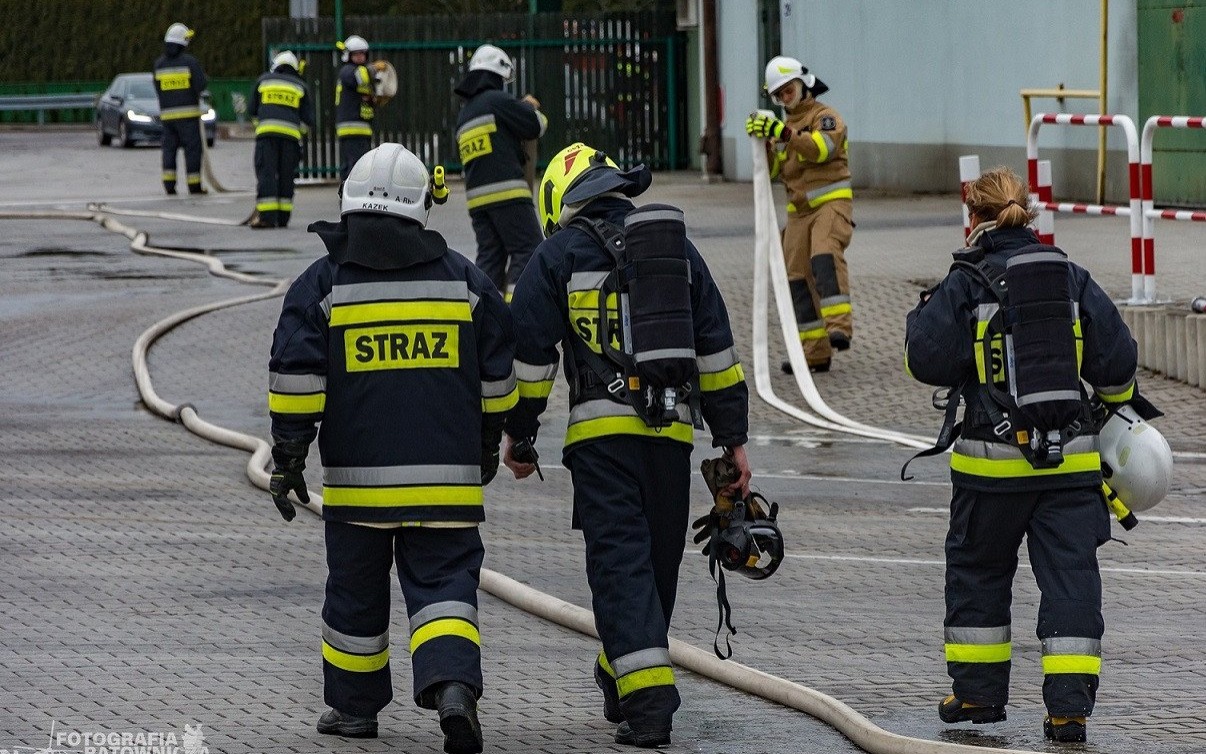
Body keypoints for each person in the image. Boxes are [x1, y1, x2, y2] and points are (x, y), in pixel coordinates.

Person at [267, 143, 516, 754]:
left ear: (351, 204)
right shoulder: (467, 282)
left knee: (354, 590)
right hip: (447, 482)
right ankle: (453, 687)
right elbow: (499, 380)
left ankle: (353, 713)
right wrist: (488, 444)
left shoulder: (324, 284)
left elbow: (296, 380)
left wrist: (289, 457)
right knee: (446, 588)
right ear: (417, 209)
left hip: (357, 487)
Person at [503, 142, 752, 748]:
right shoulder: (675, 250)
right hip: (670, 436)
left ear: (561, 197)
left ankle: (648, 704)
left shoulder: (555, 255)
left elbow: (530, 359)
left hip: (599, 442)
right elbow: (716, 351)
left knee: (620, 567)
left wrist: (520, 434)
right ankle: (624, 673)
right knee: (657, 566)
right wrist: (732, 440)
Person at [904, 167, 1148, 744]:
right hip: (1070, 467)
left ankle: (977, 699)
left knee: (979, 575)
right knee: (1070, 582)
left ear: (974, 220)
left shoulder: (967, 281)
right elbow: (1117, 364)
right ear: (1029, 217)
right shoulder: (1072, 277)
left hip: (988, 473)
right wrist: (1113, 416)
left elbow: (925, 360)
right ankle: (1069, 712)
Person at [746, 56, 854, 374]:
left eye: (787, 90)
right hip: (798, 214)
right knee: (795, 279)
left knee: (824, 255)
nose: (783, 98)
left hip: (831, 206)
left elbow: (822, 149)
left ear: (803, 84)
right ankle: (814, 352)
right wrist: (762, 145)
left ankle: (839, 328)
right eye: (778, 95)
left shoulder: (826, 117)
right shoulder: (782, 130)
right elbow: (775, 171)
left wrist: (785, 134)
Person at [454, 43, 547, 302]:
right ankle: (516, 314)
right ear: (496, 76)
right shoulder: (498, 100)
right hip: (508, 193)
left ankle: (485, 317)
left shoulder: (465, 114)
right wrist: (529, 108)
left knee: (491, 260)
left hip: (477, 201)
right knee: (528, 250)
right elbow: (535, 126)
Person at [248, 50, 314, 229]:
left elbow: (252, 110)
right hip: (290, 139)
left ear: (275, 66)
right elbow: (309, 120)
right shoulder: (301, 86)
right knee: (286, 176)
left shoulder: (263, 81)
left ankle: (267, 218)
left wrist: (262, 125)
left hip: (266, 136)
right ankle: (283, 218)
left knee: (267, 174)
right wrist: (295, 130)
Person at [153, 22, 208, 196]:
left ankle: (169, 185)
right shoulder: (190, 62)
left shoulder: (159, 64)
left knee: (169, 150)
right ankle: (194, 185)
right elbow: (201, 85)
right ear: (182, 42)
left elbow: (157, 87)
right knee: (192, 151)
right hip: (189, 117)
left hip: (168, 118)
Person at [334, 35, 377, 181]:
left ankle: (346, 195)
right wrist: (375, 70)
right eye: (356, 54)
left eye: (363, 53)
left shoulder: (353, 72)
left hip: (359, 128)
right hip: (353, 128)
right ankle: (351, 197)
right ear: (348, 55)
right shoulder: (348, 71)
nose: (360, 57)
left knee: (354, 166)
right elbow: (363, 77)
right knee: (357, 168)